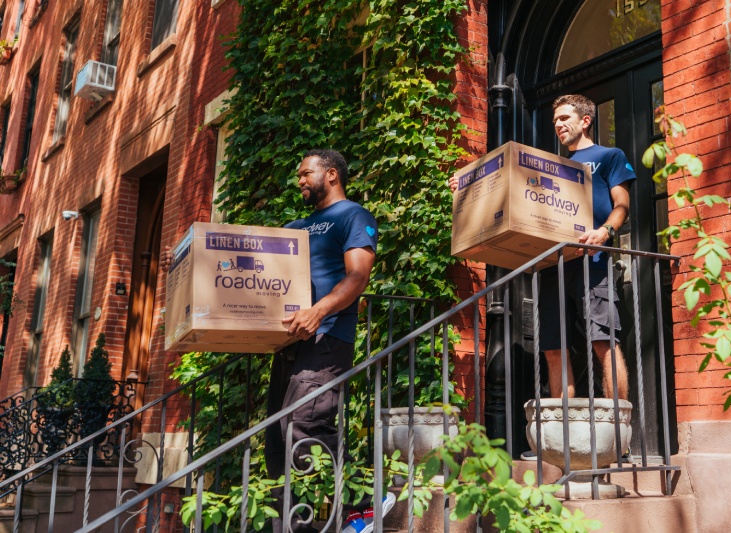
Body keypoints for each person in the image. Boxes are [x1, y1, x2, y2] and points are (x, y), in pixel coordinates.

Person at [161, 149, 393, 533]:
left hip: (328, 336)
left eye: (306, 173)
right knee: (276, 438)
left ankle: (364, 504)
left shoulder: (353, 215)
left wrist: (318, 311)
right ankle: (291, 526)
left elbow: (357, 278)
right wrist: (187, 260)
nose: (299, 180)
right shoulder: (294, 226)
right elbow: (249, 265)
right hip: (288, 342)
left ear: (331, 174)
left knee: (305, 424)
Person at [447, 94, 634, 401]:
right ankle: (563, 441)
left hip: (593, 261)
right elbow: (504, 184)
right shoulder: (551, 167)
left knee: (604, 342)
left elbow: (622, 205)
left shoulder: (609, 156)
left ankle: (619, 434)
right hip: (551, 265)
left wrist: (605, 231)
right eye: (555, 121)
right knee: (552, 349)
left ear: (585, 121)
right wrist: (465, 186)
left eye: (564, 118)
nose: (558, 125)